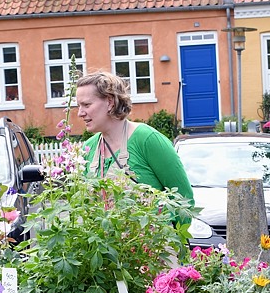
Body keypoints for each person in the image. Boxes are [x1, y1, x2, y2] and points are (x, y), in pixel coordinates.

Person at [77, 70, 194, 205]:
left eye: (86, 105)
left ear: (110, 102)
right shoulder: (89, 147)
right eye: (78, 106)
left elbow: (185, 202)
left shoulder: (147, 140)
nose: (80, 113)